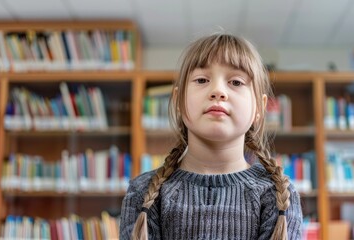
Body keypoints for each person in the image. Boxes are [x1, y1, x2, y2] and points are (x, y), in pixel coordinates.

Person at [120, 33, 302, 240]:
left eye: (235, 82)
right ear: (179, 101)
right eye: (201, 80)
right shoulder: (143, 193)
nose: (218, 91)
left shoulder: (278, 195)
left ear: (259, 107)